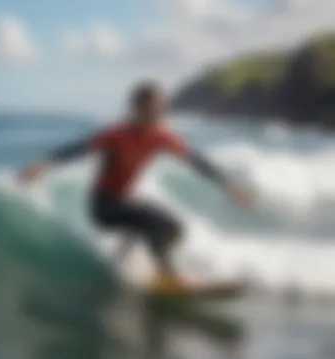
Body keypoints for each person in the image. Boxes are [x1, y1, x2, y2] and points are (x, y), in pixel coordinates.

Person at [17, 81, 252, 290]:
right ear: (137, 109)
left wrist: (228, 184)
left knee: (174, 230)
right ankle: (166, 276)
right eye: (154, 108)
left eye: (162, 108)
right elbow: (78, 148)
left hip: (125, 201)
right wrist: (43, 163)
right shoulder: (115, 135)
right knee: (163, 225)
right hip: (104, 207)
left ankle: (125, 265)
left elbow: (196, 160)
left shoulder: (162, 136)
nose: (160, 113)